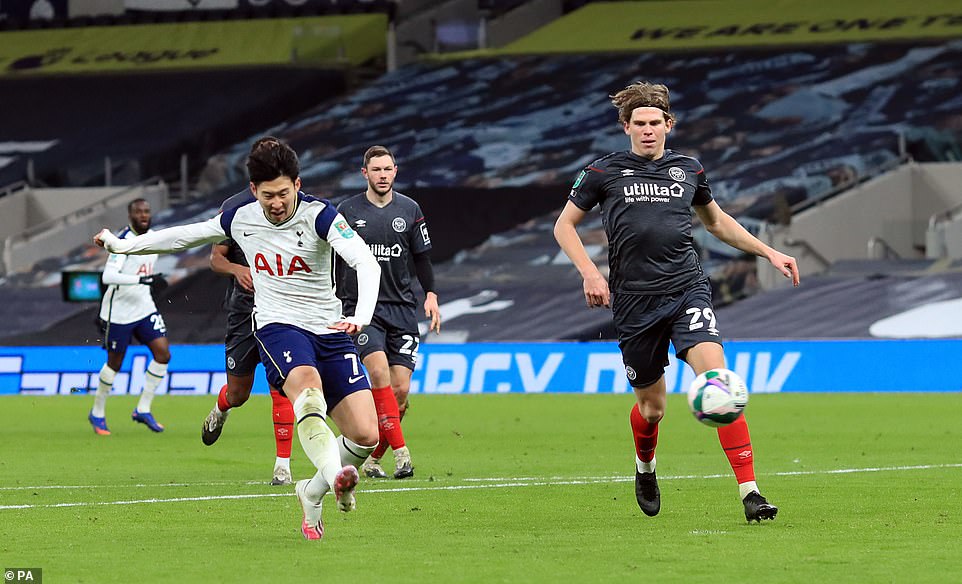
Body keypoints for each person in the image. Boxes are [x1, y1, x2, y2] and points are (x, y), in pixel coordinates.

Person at [94, 137, 381, 540]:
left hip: (330, 328)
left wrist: (361, 317)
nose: (276, 203)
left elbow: (365, 262)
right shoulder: (240, 217)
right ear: (253, 191)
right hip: (278, 325)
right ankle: (337, 479)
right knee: (308, 393)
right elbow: (183, 236)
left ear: (297, 185)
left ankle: (312, 490)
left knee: (367, 435)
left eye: (283, 193)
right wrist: (124, 245)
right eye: (267, 196)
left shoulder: (321, 216)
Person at [553, 82, 800, 522]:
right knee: (653, 408)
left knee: (719, 381)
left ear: (669, 124)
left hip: (687, 288)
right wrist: (590, 273)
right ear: (625, 126)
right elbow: (564, 227)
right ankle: (645, 466)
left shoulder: (689, 169)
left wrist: (769, 251)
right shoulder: (602, 173)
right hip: (633, 300)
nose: (648, 131)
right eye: (639, 124)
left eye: (655, 123)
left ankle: (751, 492)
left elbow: (718, 223)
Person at [335, 145, 441, 480]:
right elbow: (332, 258)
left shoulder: (410, 210)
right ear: (364, 173)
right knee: (378, 375)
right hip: (363, 310)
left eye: (388, 169)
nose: (382, 175)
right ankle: (402, 455)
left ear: (395, 171)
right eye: (376, 170)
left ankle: (373, 459)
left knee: (400, 393)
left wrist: (432, 295)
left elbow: (421, 258)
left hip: (403, 309)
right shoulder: (347, 211)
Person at [200, 189, 298, 486]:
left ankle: (282, 466)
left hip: (282, 309)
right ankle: (221, 408)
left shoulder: (297, 206)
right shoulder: (233, 206)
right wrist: (236, 269)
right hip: (243, 311)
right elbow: (216, 259)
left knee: (281, 385)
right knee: (238, 394)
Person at [88, 198, 170, 436]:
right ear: (130, 215)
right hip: (120, 312)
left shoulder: (153, 236)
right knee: (115, 364)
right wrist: (142, 280)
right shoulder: (122, 241)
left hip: (144, 307)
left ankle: (143, 408)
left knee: (163, 354)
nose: (143, 215)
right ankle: (98, 412)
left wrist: (151, 281)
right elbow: (108, 276)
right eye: (138, 212)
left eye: (146, 211)